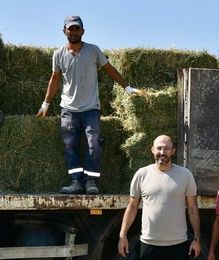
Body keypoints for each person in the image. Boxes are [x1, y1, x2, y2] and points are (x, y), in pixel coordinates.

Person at [37, 15, 142, 195]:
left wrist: (127, 87)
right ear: (64, 31)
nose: (74, 32)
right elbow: (54, 79)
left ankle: (90, 182)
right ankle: (76, 182)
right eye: (70, 29)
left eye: (77, 28)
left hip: (91, 109)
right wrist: (45, 103)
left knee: (94, 145)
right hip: (68, 110)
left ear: (83, 31)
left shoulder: (93, 51)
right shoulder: (58, 54)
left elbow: (109, 69)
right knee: (71, 147)